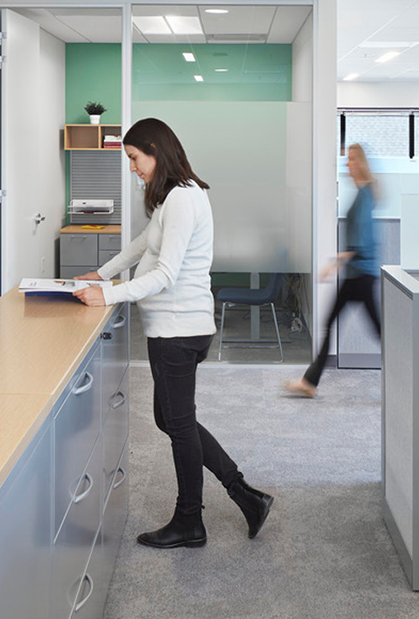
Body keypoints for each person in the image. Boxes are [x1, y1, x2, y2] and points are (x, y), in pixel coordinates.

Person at [72, 118, 274, 548]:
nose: (132, 168)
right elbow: (145, 243)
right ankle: (246, 496)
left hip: (179, 330)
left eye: (133, 159)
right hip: (176, 326)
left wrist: (109, 295)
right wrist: (103, 273)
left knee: (178, 425)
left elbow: (165, 274)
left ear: (154, 150)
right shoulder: (174, 199)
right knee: (172, 419)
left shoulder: (184, 199)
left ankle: (190, 522)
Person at [288, 143, 381, 398]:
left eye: (350, 159)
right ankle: (310, 382)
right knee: (342, 324)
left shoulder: (364, 195)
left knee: (378, 330)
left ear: (360, 163)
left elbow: (361, 243)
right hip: (357, 274)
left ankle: (411, 367)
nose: (346, 163)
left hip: (361, 274)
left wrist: (334, 262)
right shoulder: (363, 192)